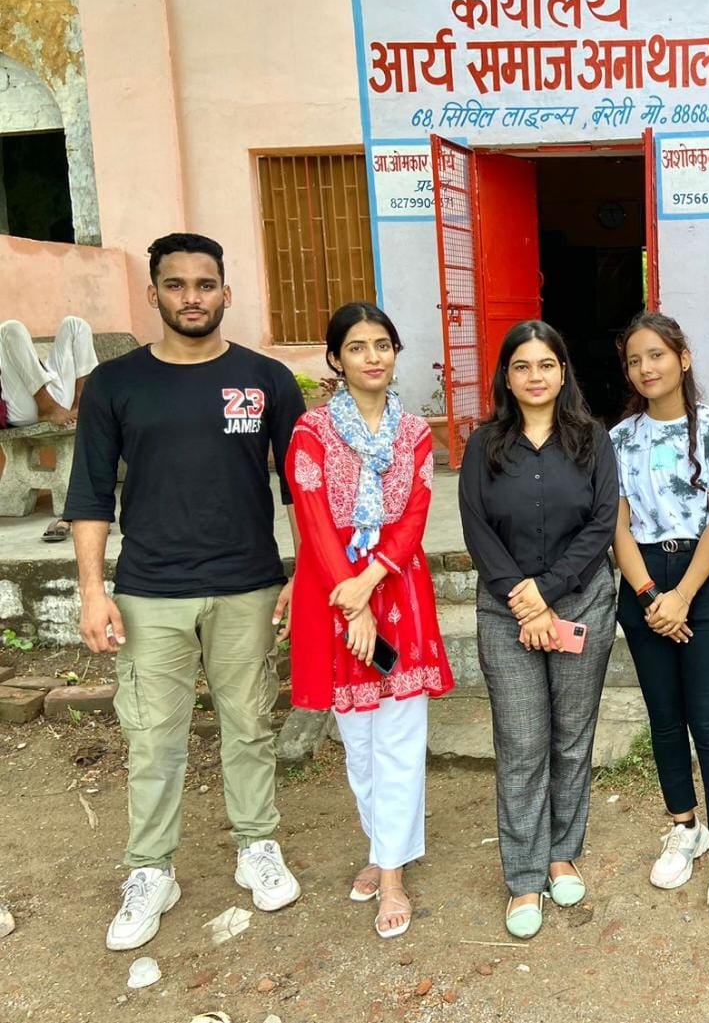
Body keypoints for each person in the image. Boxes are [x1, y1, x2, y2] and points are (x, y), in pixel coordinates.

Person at [64, 232, 305, 951]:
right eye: (176, 284)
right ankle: (151, 869)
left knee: (249, 723)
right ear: (154, 294)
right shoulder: (115, 384)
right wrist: (92, 591)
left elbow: (301, 488)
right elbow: (90, 495)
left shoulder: (267, 379)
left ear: (227, 292)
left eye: (205, 284)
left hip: (248, 584)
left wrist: (304, 574)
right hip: (150, 589)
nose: (191, 297)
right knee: (152, 737)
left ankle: (256, 845)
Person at [286, 302, 453, 940]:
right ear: (336, 359)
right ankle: (384, 848)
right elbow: (313, 518)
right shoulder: (310, 432)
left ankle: (391, 875)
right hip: (333, 595)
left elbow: (414, 517)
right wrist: (352, 601)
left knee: (401, 738)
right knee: (358, 742)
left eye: (382, 344)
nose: (372, 357)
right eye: (357, 347)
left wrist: (369, 583)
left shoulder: (414, 433)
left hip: (398, 589)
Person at [459, 320, 618, 940]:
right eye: (521, 366)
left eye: (545, 364)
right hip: (507, 611)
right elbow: (476, 527)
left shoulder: (591, 439)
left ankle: (561, 854)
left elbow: (602, 522)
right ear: (506, 375)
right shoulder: (484, 445)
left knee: (571, 739)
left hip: (581, 602)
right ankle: (525, 876)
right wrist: (524, 602)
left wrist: (547, 592)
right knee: (522, 743)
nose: (534, 376)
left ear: (562, 371)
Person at [610, 312, 709, 916]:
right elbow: (616, 527)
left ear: (682, 358)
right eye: (635, 360)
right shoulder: (618, 440)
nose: (647, 368)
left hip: (704, 579)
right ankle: (684, 826)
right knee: (664, 719)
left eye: (657, 355)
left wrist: (683, 596)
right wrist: (649, 596)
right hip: (643, 579)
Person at [0, 314, 99, 541]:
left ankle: (82, 402)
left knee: (74, 324)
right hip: (19, 407)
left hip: (56, 396)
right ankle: (47, 406)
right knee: (10, 328)